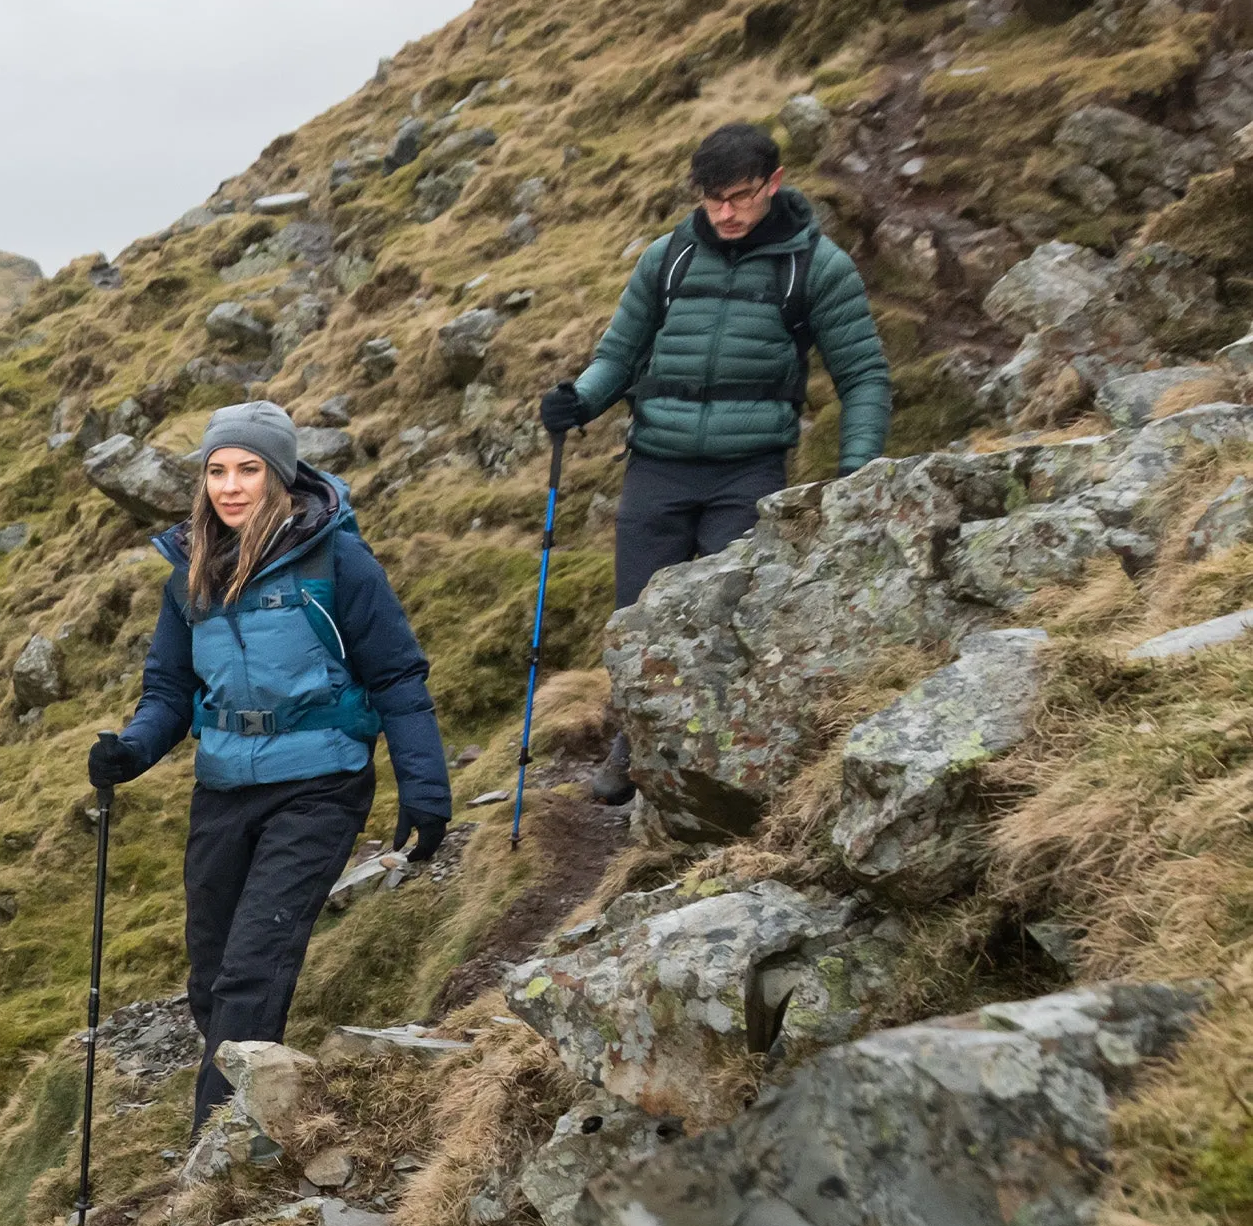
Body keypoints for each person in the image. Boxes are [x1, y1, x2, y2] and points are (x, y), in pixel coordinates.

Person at [89, 403, 453, 1130]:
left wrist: (425, 785)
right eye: (217, 470)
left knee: (255, 966)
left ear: (280, 476)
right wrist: (130, 751)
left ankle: (216, 1142)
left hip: (320, 783)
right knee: (211, 974)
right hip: (224, 785)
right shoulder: (189, 573)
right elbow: (169, 690)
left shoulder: (336, 560)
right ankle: (253, 1099)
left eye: (248, 469)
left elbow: (396, 675)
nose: (230, 486)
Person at [540, 120, 892, 803]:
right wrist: (579, 401)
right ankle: (634, 745)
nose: (725, 213)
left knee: (721, 620)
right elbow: (619, 354)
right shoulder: (666, 258)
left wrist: (857, 470)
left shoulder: (816, 267)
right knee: (636, 617)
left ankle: (712, 774)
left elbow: (865, 376)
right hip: (656, 465)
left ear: (774, 184)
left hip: (748, 472)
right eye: (712, 199)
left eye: (739, 196)